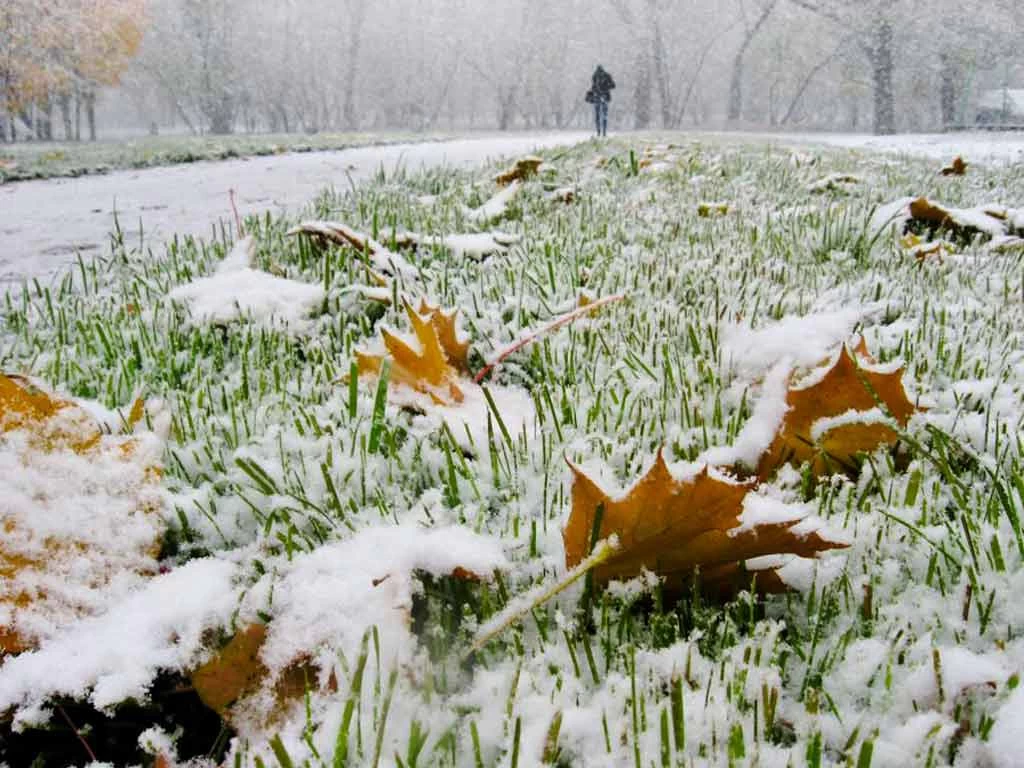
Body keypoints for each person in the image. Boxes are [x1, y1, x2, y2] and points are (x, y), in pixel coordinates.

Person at [585, 65, 616, 137]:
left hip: (597, 97)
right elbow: (613, 85)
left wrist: (594, 92)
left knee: (597, 115)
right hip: (604, 97)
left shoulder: (595, 76)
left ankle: (599, 132)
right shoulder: (607, 76)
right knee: (604, 115)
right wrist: (606, 88)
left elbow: (593, 87)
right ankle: (604, 132)